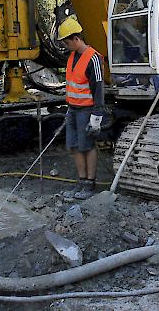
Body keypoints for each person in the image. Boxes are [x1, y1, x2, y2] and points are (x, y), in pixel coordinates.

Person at [57, 15, 105, 200]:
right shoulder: (72, 57)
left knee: (87, 146)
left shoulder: (92, 59)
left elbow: (98, 89)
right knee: (74, 146)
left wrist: (96, 117)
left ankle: (89, 184)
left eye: (67, 43)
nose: (65, 46)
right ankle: (81, 181)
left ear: (76, 39)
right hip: (73, 109)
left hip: (86, 110)